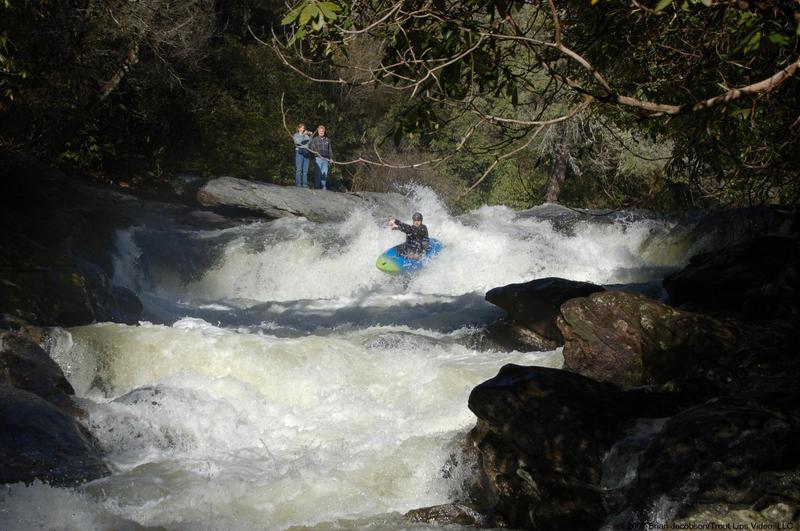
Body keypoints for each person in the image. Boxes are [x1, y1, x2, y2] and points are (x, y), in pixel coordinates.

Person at [308, 124, 333, 190]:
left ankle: (323, 187)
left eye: (322, 131)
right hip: (318, 158)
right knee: (318, 173)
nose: (321, 132)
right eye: (320, 131)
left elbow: (330, 150)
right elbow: (311, 149)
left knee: (324, 174)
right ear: (318, 132)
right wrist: (312, 157)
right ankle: (316, 187)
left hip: (326, 159)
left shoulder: (327, 140)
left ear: (324, 131)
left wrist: (331, 158)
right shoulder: (315, 139)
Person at [292, 123, 312, 188]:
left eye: (303, 128)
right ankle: (298, 184)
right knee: (299, 169)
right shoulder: (296, 135)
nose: (302, 129)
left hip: (306, 152)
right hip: (299, 152)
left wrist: (310, 135)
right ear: (298, 128)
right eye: (301, 128)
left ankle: (305, 185)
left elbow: (310, 142)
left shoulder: (306, 135)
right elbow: (297, 142)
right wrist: (303, 135)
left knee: (305, 170)